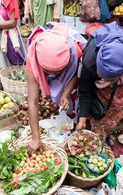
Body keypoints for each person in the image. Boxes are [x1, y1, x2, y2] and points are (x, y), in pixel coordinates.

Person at [76, 22, 123, 140]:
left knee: (117, 108)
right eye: (101, 77)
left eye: (109, 79)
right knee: (98, 110)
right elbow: (85, 90)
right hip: (100, 74)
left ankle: (109, 133)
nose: (103, 81)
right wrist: (82, 118)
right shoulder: (90, 60)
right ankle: (101, 135)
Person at [26, 22, 86, 154]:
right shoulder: (33, 58)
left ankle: (72, 129)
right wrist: (36, 138)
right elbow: (33, 102)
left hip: (70, 75)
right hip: (44, 61)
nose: (53, 75)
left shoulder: (74, 51)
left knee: (72, 103)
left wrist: (65, 93)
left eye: (58, 72)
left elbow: (75, 74)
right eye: (48, 71)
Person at [0, 0, 26, 68]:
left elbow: (13, 22)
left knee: (17, 65)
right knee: (4, 67)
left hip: (10, 38)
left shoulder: (7, 1)